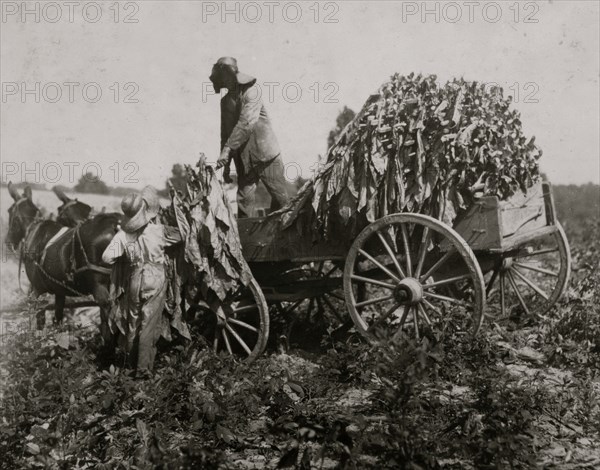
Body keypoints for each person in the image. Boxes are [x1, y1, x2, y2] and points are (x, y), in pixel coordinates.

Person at [101, 186, 182, 373]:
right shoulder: (159, 231)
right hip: (155, 277)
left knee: (133, 324)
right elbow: (182, 236)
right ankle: (143, 371)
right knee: (149, 325)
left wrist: (123, 256)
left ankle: (130, 366)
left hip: (135, 277)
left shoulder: (123, 235)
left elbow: (106, 258)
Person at [210, 56, 289, 218]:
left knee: (282, 200)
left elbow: (246, 123)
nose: (222, 80)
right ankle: (247, 243)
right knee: (244, 206)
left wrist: (226, 150)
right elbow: (225, 133)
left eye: (224, 76)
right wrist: (226, 164)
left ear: (231, 75)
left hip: (266, 157)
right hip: (245, 162)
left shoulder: (252, 93)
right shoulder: (225, 103)